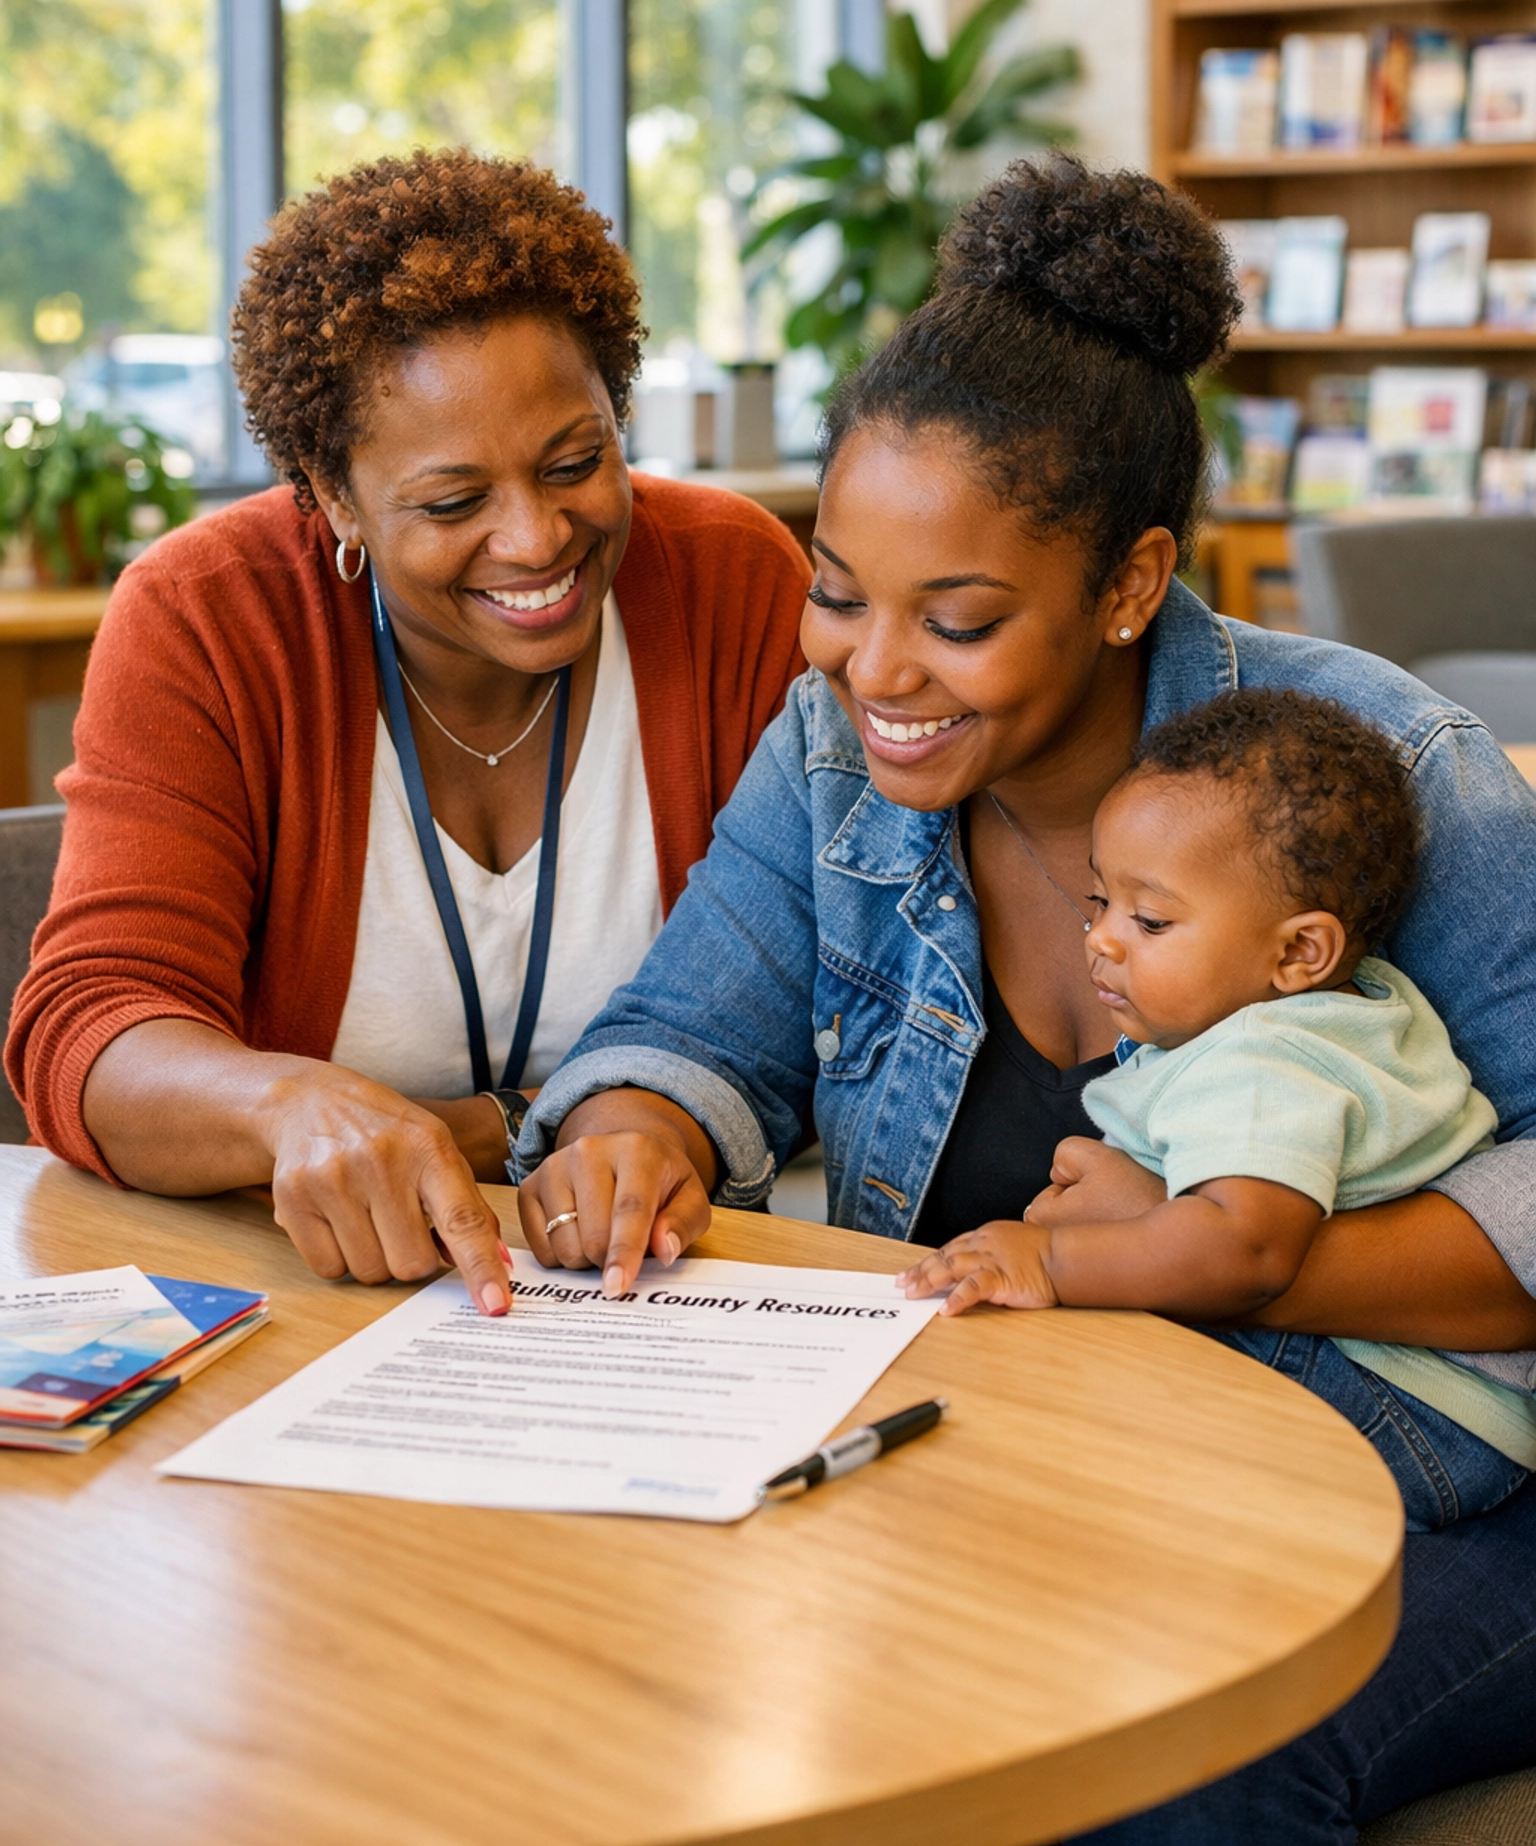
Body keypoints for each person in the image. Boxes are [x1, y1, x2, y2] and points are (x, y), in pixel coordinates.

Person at [510, 157, 1536, 1840]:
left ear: (1130, 585)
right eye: (837, 587)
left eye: (959, 619)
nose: (874, 670)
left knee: (1170, 1766)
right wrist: (628, 1127)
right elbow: (689, 1034)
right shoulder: (830, 755)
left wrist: (1190, 1246)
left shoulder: (1391, 776)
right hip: (1081, 1475)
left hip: (1444, 1497)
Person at [5, 148, 807, 1319]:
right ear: (332, 494)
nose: (537, 540)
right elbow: (90, 1026)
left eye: (576, 462)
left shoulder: (730, 583)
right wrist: (284, 1107)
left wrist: (580, 1122)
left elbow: (825, 981)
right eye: (451, 503)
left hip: (653, 1300)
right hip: (294, 1300)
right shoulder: (210, 617)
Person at [900, 685, 1532, 1533]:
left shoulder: (1264, 1060)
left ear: (1301, 951)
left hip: (1394, 1402)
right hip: (1446, 1402)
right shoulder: (1355, 1003)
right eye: (1100, 902)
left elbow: (1245, 1252)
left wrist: (1048, 1259)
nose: (1101, 939)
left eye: (1151, 919)